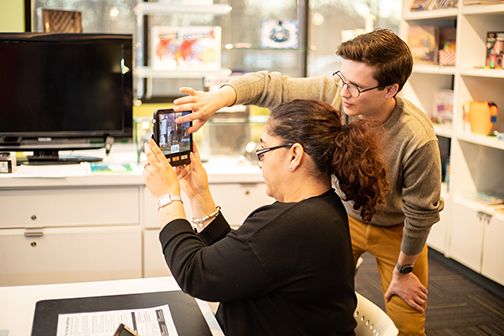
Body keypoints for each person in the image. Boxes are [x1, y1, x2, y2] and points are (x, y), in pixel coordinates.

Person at [171, 29, 444, 335]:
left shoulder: (417, 138)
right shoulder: (337, 92)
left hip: (398, 228)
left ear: (390, 89)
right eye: (343, 78)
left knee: (407, 318)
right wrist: (217, 99)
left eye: (356, 86)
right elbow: (270, 86)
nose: (345, 93)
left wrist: (405, 270)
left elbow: (422, 212)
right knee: (319, 291)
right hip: (344, 215)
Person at [143, 99, 389, 336]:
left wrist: (167, 197)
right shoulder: (321, 209)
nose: (260, 160)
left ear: (294, 155)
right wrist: (197, 193)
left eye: (264, 149)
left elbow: (195, 273)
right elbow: (242, 260)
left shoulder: (294, 225)